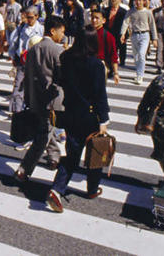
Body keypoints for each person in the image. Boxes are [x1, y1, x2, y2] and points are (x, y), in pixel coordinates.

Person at [46, 27, 110, 213]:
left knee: (72, 153)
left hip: (71, 111)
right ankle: (91, 189)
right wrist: (103, 119)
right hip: (90, 115)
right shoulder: (96, 64)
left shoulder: (66, 58)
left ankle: (57, 189)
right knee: (95, 153)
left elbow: (61, 82)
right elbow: (100, 95)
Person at [14, 15, 66, 181]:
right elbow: (61, 76)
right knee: (43, 135)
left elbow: (27, 76)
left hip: (35, 98)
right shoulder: (57, 50)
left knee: (46, 129)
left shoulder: (33, 49)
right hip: (52, 99)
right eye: (61, 31)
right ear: (53, 31)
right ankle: (24, 169)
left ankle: (54, 157)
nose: (63, 35)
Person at [120, 0, 158, 85]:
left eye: (140, 0)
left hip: (145, 35)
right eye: (136, 0)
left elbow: (152, 25)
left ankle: (140, 75)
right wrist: (122, 34)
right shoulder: (131, 11)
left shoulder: (148, 12)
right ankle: (138, 73)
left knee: (141, 54)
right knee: (136, 56)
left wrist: (154, 38)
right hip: (134, 35)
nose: (138, 2)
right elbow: (125, 22)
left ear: (144, 1)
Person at [91, 9, 119, 85]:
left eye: (97, 18)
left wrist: (116, 73)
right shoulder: (86, 33)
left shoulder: (108, 36)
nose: (94, 20)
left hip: (100, 64)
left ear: (103, 20)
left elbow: (113, 55)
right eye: (92, 17)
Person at [104, 0, 127, 66]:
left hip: (119, 33)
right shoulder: (106, 10)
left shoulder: (124, 12)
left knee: (121, 48)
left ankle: (122, 60)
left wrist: (125, 35)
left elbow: (126, 24)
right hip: (109, 33)